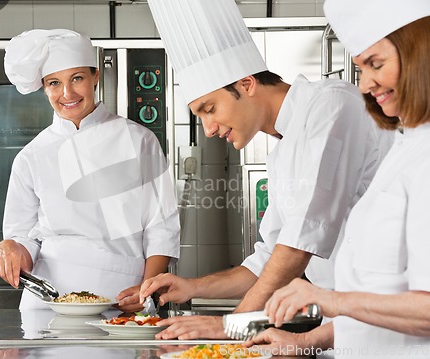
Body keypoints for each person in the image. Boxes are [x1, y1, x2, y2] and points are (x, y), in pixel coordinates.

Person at [140, 0, 393, 339]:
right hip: (343, 325)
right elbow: (268, 259)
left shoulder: (333, 104)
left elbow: (299, 242)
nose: (209, 129)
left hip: (387, 319)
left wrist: (233, 326)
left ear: (246, 84)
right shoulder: (283, 150)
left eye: (210, 109)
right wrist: (191, 287)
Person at [243, 0, 430, 357]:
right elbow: (379, 300)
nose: (365, 85)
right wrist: (302, 343)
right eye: (361, 69)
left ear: (421, 51)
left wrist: (330, 299)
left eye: (376, 64)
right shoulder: (405, 150)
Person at [0, 29, 180, 312]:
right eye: (54, 83)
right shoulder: (31, 156)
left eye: (77, 78)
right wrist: (11, 249)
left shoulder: (139, 141)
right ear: (44, 88)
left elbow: (161, 226)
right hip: (49, 300)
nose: (66, 93)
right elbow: (24, 237)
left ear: (95, 76)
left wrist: (146, 290)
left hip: (124, 297)